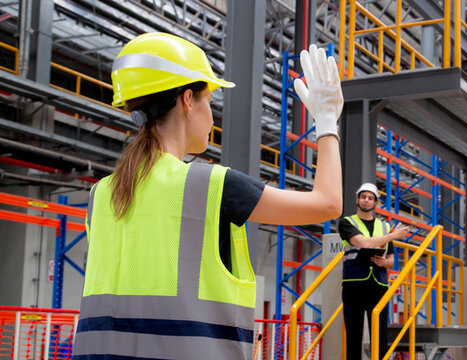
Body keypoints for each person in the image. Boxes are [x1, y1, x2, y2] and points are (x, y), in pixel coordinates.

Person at [72, 32, 343, 360]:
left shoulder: (101, 194)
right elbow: (328, 203)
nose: (212, 117)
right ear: (188, 100)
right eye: (209, 101)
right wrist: (327, 122)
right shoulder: (210, 185)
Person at [339, 183, 410, 360]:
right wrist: (394, 235)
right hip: (353, 285)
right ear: (357, 200)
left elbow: (392, 261)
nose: (366, 200)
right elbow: (363, 243)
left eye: (371, 198)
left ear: (375, 203)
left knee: (380, 336)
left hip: (378, 285)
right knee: (353, 334)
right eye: (363, 197)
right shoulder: (347, 222)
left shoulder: (385, 227)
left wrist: (384, 262)